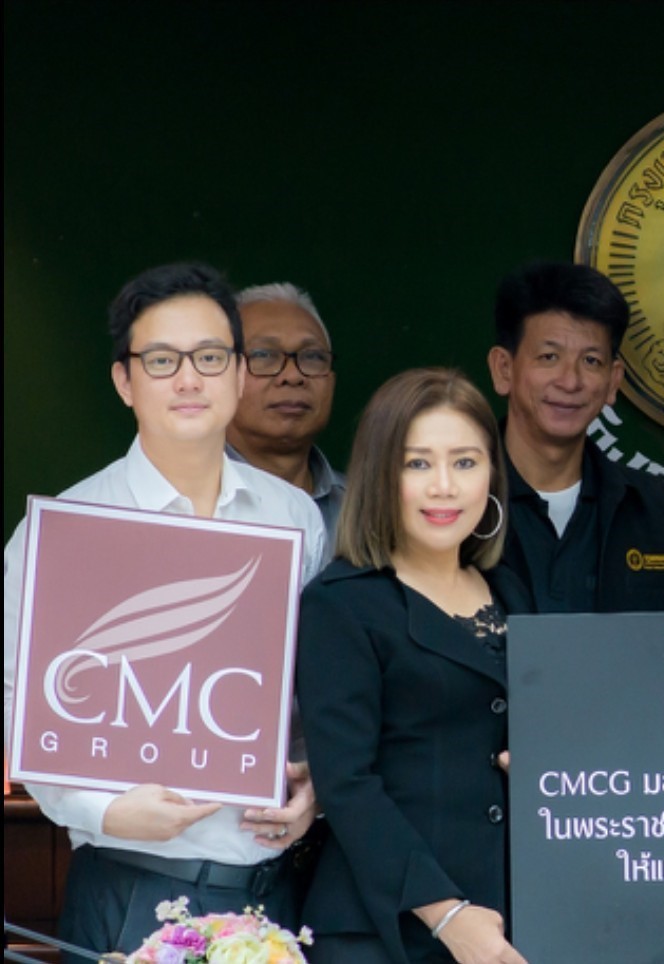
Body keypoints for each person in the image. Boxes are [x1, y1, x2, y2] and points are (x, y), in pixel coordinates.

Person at [1, 262, 328, 959]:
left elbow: (325, 686)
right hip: (127, 885)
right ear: (125, 381)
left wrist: (316, 789)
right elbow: (15, 698)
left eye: (209, 357)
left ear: (237, 374)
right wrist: (105, 810)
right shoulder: (66, 529)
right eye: (161, 360)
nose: (188, 379)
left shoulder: (294, 517)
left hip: (275, 891)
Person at [296, 368, 531, 964]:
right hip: (387, 931)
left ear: (492, 475)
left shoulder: (512, 592)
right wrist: (446, 913)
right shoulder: (340, 603)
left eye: (466, 462)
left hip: (507, 922)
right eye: (418, 463)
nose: (444, 486)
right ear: (381, 475)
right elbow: (347, 783)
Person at [486, 261, 664, 613]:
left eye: (591, 361)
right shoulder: (453, 501)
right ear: (503, 369)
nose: (570, 381)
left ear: (613, 381)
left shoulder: (652, 509)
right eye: (549, 357)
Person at [226, 282, 345, 558]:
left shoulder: (367, 510)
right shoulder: (177, 503)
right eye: (263, 355)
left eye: (312, 357)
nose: (292, 376)